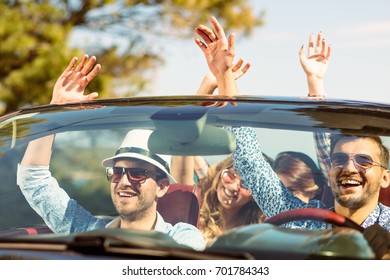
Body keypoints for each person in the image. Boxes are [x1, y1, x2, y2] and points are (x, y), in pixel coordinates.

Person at [195, 16, 390, 259]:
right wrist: (224, 75)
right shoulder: (301, 220)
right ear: (329, 173)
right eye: (339, 160)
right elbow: (249, 161)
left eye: (363, 160)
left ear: (384, 178)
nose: (349, 168)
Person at [16, 54, 205, 251]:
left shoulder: (182, 236)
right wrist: (54, 113)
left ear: (163, 186)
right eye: (117, 172)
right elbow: (33, 180)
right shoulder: (87, 230)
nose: (123, 182)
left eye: (138, 173)